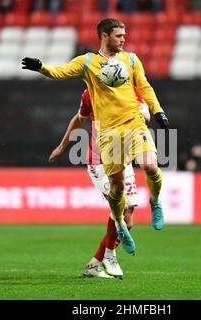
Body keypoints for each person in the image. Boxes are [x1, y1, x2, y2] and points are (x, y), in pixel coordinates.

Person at [22, 18, 170, 256]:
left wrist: (158, 110)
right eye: (119, 35)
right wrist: (41, 67)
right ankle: (120, 224)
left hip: (134, 124)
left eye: (125, 35)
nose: (124, 39)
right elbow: (60, 72)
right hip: (109, 134)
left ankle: (155, 200)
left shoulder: (131, 59)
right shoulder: (88, 62)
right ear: (104, 36)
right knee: (116, 188)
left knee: (150, 165)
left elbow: (145, 87)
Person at [48, 89, 150, 278]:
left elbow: (146, 114)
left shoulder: (131, 89)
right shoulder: (90, 93)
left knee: (128, 220)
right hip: (99, 162)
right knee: (122, 205)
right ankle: (110, 255)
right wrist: (62, 146)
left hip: (122, 159)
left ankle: (94, 265)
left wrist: (142, 113)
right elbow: (79, 118)